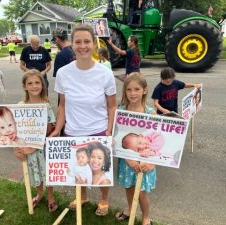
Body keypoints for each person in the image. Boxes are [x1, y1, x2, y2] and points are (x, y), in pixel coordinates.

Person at [50, 24, 117, 216]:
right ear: (71, 44)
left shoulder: (105, 73)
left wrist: (109, 130)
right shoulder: (63, 73)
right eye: (78, 42)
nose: (83, 46)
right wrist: (58, 129)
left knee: (101, 168)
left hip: (99, 130)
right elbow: (62, 105)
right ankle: (83, 196)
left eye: (87, 41)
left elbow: (112, 106)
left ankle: (104, 199)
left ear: (94, 44)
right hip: (73, 131)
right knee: (78, 168)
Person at [13, 69, 58, 212]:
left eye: (37, 82)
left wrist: (41, 137)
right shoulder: (20, 106)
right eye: (30, 83)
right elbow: (15, 131)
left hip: (44, 148)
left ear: (42, 85)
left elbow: (52, 128)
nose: (34, 86)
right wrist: (17, 149)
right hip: (28, 150)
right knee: (35, 173)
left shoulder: (46, 105)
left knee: (48, 173)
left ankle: (50, 197)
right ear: (24, 86)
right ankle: (39, 194)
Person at [116, 72, 156, 225]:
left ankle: (146, 216)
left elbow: (156, 140)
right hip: (127, 161)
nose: (132, 93)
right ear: (124, 91)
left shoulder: (150, 113)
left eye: (137, 89)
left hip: (145, 161)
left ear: (145, 90)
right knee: (129, 187)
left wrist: (152, 163)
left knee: (142, 192)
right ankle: (130, 209)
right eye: (129, 90)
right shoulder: (121, 110)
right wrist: (129, 159)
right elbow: (118, 138)